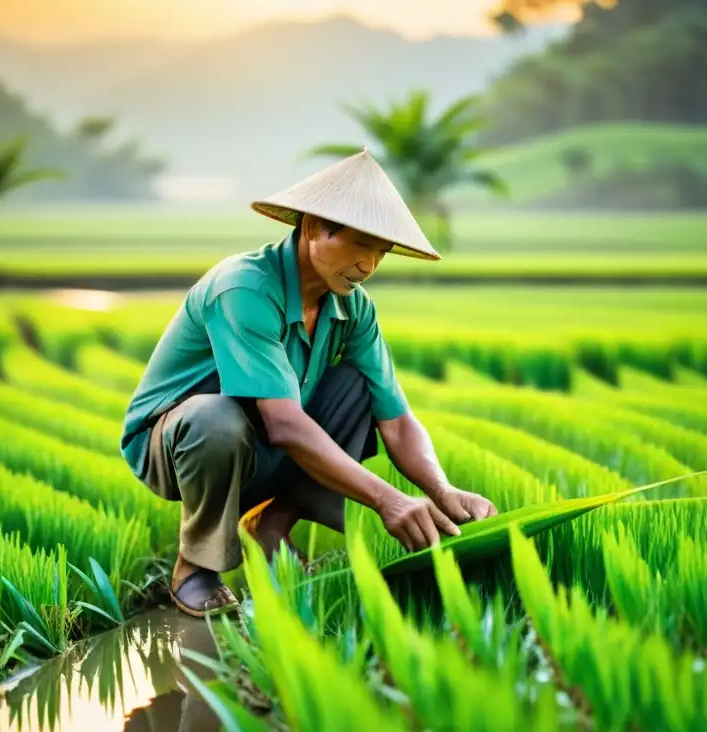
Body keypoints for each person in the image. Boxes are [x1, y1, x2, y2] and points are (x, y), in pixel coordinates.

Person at [120, 148, 498, 618]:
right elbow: (283, 425)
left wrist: (442, 491)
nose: (369, 265)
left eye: (380, 251)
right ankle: (195, 568)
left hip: (262, 441)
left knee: (359, 386)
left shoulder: (354, 307)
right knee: (215, 416)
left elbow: (396, 419)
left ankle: (272, 525)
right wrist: (387, 499)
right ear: (314, 227)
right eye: (361, 244)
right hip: (180, 444)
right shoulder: (245, 289)